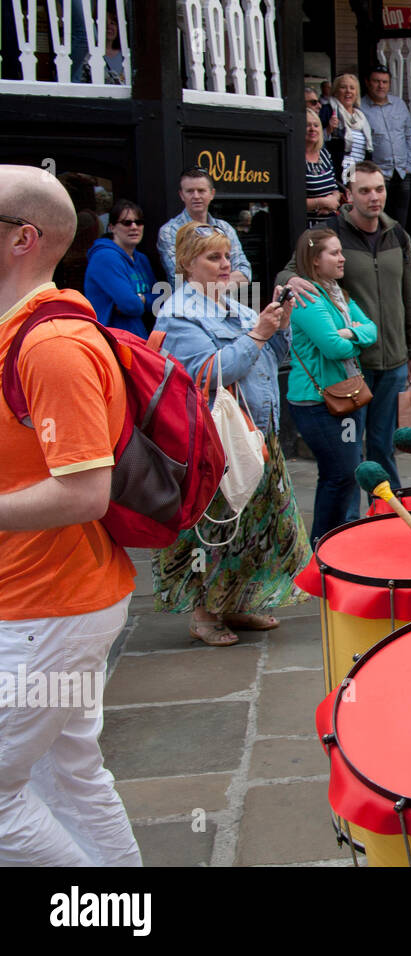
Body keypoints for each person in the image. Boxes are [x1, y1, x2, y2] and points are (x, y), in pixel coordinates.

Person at [0, 164, 141, 866]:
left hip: (45, 612)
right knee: (70, 777)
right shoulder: (23, 331)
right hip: (51, 605)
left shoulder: (52, 346)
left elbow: (86, 491)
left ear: (22, 238)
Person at [153, 222, 311, 647]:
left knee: (258, 525)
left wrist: (281, 326)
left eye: (226, 256)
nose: (225, 265)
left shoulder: (235, 306)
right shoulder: (178, 314)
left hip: (259, 431)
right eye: (213, 258)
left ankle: (238, 603)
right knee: (217, 528)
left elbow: (273, 357)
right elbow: (209, 374)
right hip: (218, 441)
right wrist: (259, 333)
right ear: (186, 263)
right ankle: (204, 614)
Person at [279, 161, 411, 491]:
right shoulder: (333, 234)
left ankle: (387, 515)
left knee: (383, 448)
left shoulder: (397, 234)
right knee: (348, 458)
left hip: (394, 361)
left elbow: (410, 295)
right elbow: (290, 271)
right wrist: (290, 282)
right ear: (349, 195)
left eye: (379, 189)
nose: (374, 197)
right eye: (365, 190)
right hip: (352, 364)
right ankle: (350, 525)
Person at [286, 229, 379, 543]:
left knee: (343, 474)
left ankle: (331, 542)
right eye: (334, 253)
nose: (343, 259)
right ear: (315, 260)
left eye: (342, 252)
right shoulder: (308, 297)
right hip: (317, 401)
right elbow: (331, 348)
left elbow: (371, 329)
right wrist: (353, 338)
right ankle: (322, 544)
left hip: (347, 394)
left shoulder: (338, 294)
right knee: (340, 473)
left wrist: (350, 334)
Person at [157, 167, 251, 285]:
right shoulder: (170, 231)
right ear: (181, 195)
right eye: (190, 191)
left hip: (225, 302)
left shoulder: (225, 228)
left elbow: (244, 272)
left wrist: (209, 282)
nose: (196, 196)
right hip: (190, 303)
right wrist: (224, 279)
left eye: (201, 190)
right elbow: (180, 278)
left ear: (212, 194)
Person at [84, 199, 158, 338]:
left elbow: (160, 299)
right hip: (114, 342)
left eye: (139, 222)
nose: (134, 227)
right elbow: (130, 305)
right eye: (126, 223)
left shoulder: (142, 259)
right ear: (112, 227)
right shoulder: (104, 257)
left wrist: (140, 299)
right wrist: (141, 301)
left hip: (141, 340)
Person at [361, 65, 411, 230]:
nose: (381, 86)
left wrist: (410, 165)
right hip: (378, 175)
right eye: (376, 81)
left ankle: (400, 252)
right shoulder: (361, 108)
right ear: (367, 82)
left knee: (401, 221)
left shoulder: (399, 104)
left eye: (385, 82)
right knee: (377, 220)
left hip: (402, 172)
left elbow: (409, 135)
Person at [327, 73, 373, 182]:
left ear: (356, 93)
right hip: (342, 168)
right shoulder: (329, 111)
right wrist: (329, 129)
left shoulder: (360, 116)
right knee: (349, 193)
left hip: (361, 169)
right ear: (336, 91)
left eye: (352, 88)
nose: (348, 91)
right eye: (343, 87)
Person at [305, 111, 344, 228]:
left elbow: (335, 188)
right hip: (308, 226)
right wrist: (322, 202)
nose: (312, 129)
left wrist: (332, 202)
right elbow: (294, 200)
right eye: (307, 125)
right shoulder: (295, 157)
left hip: (330, 224)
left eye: (316, 125)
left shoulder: (324, 154)